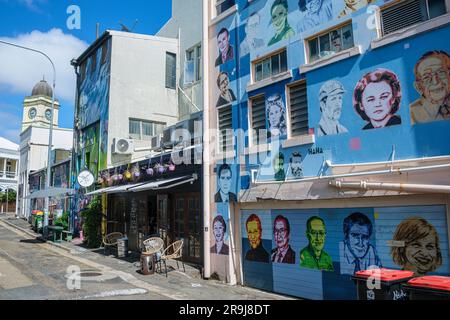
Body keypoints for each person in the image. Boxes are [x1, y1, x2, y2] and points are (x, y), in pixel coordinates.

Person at [410, 51, 450, 124]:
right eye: (427, 77)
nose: (435, 81)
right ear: (419, 87)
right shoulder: (411, 114)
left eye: (441, 73)